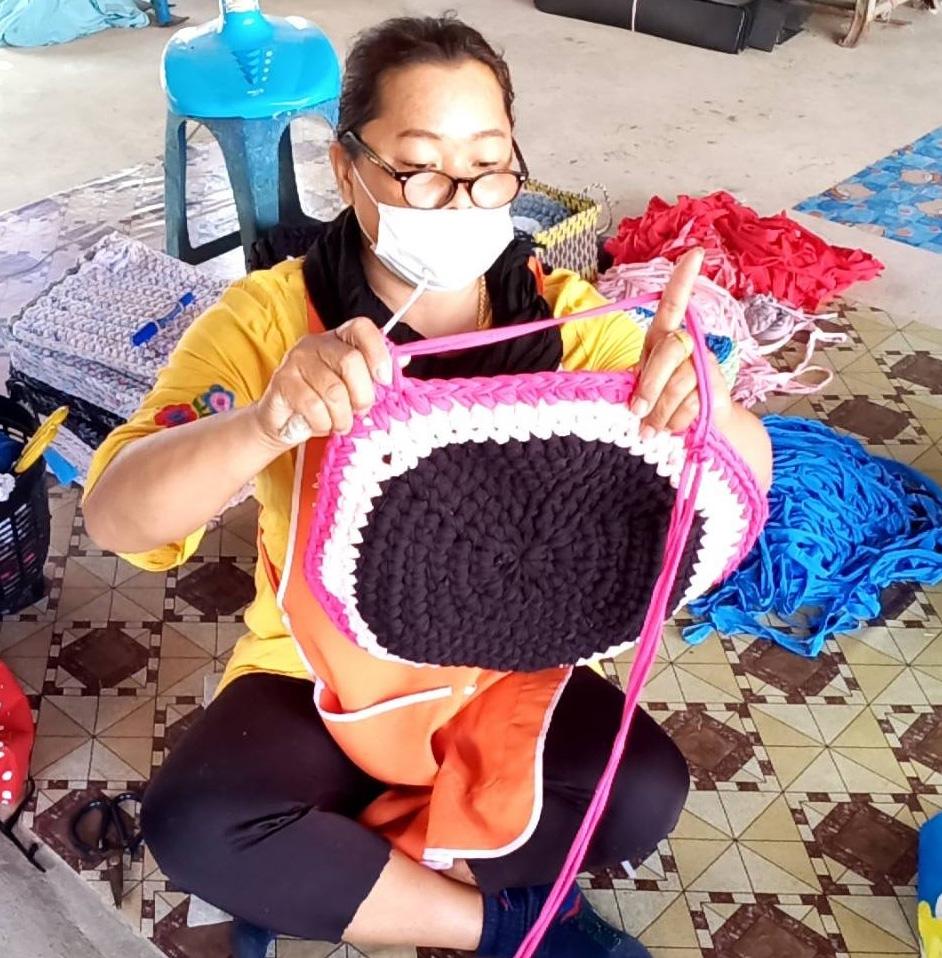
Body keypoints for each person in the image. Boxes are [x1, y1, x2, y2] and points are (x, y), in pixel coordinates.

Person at [83, 15, 772, 958]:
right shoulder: (271, 321)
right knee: (200, 822)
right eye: (419, 168)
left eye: (489, 165)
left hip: (515, 658)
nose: (459, 200)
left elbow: (745, 484)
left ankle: (342, 876)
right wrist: (263, 423)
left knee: (641, 794)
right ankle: (490, 922)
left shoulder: (578, 329)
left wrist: (710, 406)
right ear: (346, 167)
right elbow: (116, 513)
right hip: (319, 675)